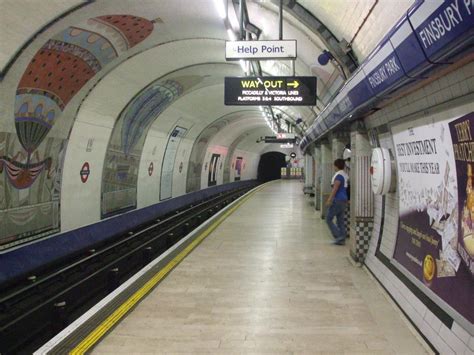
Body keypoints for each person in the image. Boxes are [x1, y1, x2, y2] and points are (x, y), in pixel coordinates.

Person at [325, 159, 349, 245]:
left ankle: (339, 237)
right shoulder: (344, 174)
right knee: (340, 221)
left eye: (334, 165)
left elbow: (335, 189)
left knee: (328, 219)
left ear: (336, 166)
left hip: (338, 200)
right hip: (343, 200)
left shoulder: (339, 176)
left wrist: (329, 200)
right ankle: (341, 240)